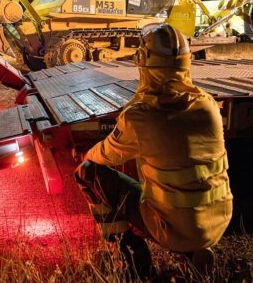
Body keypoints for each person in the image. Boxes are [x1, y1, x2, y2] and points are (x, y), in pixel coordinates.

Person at [75, 24, 233, 279]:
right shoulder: (208, 104)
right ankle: (194, 254)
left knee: (88, 171)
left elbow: (103, 156)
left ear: (144, 66)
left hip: (171, 229)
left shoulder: (140, 117)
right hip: (218, 221)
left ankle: (133, 262)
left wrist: (86, 154)